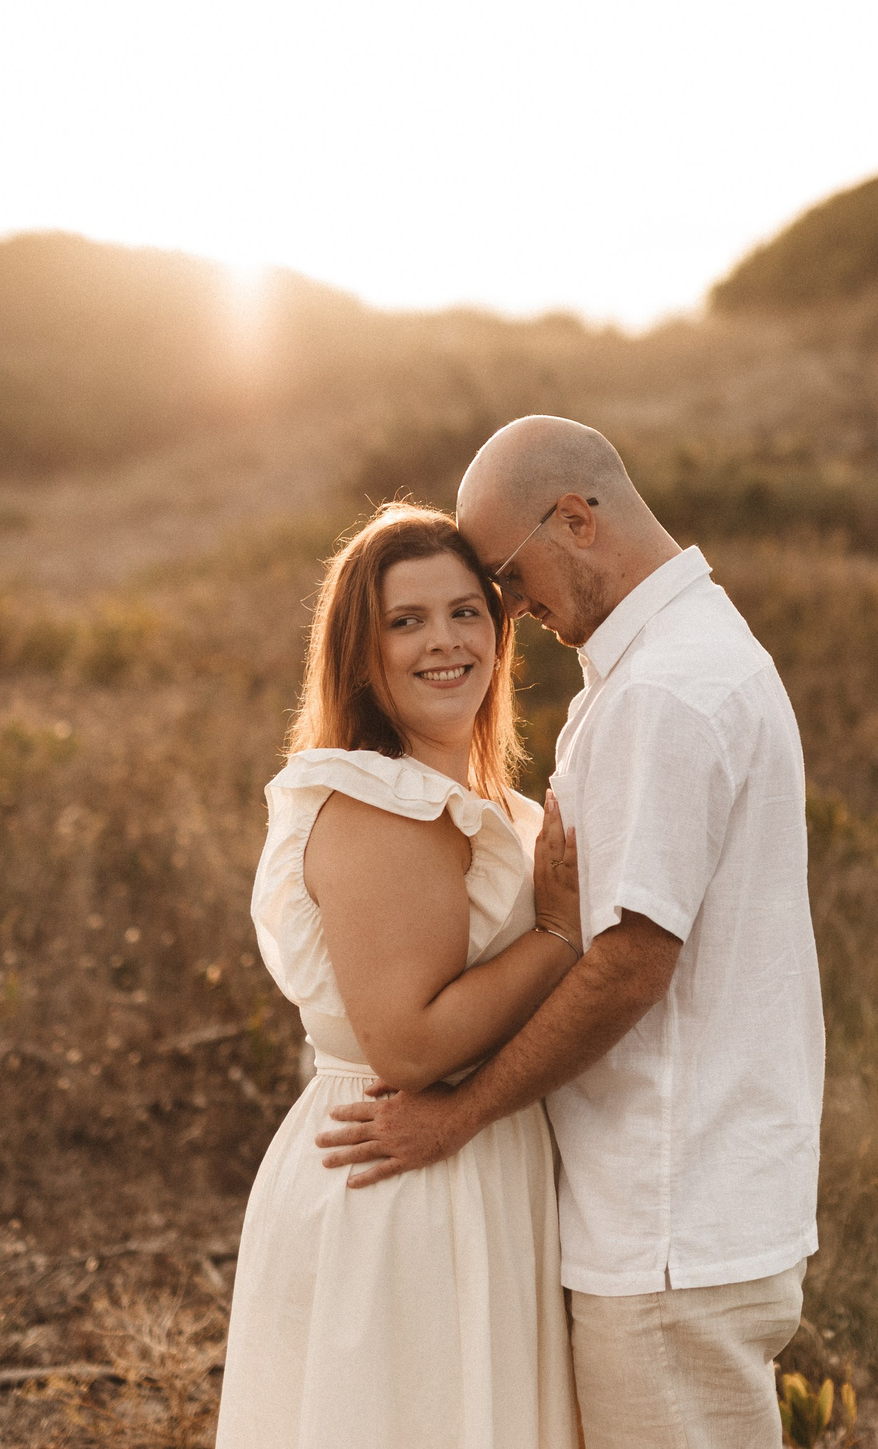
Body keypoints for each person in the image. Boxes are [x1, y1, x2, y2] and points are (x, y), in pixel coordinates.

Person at [317, 416, 826, 1449]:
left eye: (501, 581)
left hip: (668, 1221)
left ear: (577, 520)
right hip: (672, 1208)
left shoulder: (663, 694)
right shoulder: (674, 658)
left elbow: (633, 963)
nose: (507, 613)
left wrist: (457, 1118)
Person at [214, 502, 582, 1449]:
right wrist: (558, 933)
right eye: (405, 620)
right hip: (401, 1177)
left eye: (465, 611)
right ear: (359, 652)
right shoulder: (384, 803)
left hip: (477, 1163)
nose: (444, 641)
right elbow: (409, 1044)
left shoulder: (478, 803)